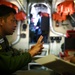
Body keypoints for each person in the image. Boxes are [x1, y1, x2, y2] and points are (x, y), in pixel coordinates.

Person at [0, 5, 44, 74]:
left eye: (16, 21)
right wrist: (31, 53)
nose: (15, 25)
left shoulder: (3, 38)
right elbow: (8, 65)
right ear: (1, 21)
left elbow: (12, 53)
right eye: (12, 21)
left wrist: (30, 51)